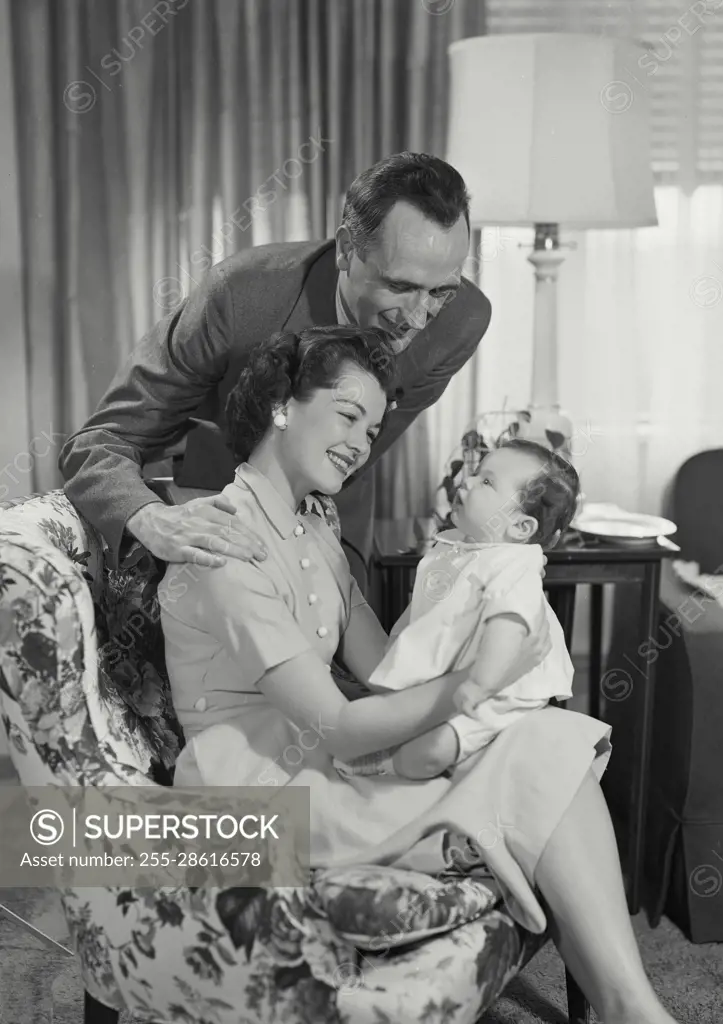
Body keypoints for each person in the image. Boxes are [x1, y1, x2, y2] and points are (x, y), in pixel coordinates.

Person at [159, 326, 677, 1024]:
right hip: (259, 784)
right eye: (346, 415)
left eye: (371, 429)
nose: (360, 442)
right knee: (537, 761)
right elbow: (339, 727)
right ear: (283, 404)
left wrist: (486, 628)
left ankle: (629, 1007)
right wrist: (471, 692)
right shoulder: (224, 537)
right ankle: (628, 1009)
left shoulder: (313, 520)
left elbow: (384, 668)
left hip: (320, 754)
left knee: (546, 736)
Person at [58, 152, 490, 595]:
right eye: (399, 286)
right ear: (346, 249)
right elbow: (99, 443)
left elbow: (358, 454)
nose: (419, 319)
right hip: (219, 510)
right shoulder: (239, 297)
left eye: (440, 291)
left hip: (337, 528)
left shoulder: (461, 323)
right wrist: (150, 518)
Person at [334, 440, 580, 782]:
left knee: (425, 753)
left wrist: (479, 686)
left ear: (521, 527)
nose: (467, 482)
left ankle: (396, 765)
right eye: (476, 473)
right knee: (405, 719)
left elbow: (508, 627)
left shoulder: (514, 564)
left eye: (487, 483)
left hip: (502, 689)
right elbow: (430, 609)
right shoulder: (457, 544)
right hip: (464, 678)